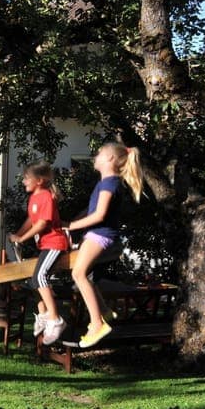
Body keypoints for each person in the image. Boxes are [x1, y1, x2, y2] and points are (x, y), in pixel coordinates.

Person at [66, 142, 144, 348]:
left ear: (110, 159)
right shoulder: (107, 183)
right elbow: (91, 210)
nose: (95, 156)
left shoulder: (110, 183)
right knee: (85, 277)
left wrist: (71, 226)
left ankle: (96, 324)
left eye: (99, 153)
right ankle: (105, 311)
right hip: (98, 235)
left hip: (99, 235)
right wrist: (71, 221)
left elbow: (99, 215)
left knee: (78, 274)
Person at [8, 161, 70, 345]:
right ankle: (44, 314)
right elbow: (31, 219)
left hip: (55, 244)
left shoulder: (46, 196)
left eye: (27, 178)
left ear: (40, 180)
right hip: (45, 245)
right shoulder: (34, 198)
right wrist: (19, 233)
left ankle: (56, 319)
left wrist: (22, 239)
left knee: (41, 276)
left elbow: (42, 223)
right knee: (33, 280)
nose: (23, 181)